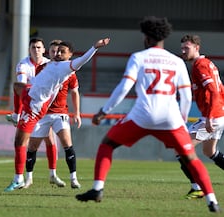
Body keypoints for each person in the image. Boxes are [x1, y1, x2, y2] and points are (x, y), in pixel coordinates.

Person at [75, 16, 221, 213]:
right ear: (164, 37)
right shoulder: (176, 61)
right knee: (191, 157)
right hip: (169, 118)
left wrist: (103, 111)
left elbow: (124, 87)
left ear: (146, 37)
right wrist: (182, 120)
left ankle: (97, 188)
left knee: (107, 144)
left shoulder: (139, 57)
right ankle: (212, 201)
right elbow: (186, 96)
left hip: (142, 115)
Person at [4, 37, 110, 192]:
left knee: (20, 142)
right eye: (57, 51)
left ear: (70, 55)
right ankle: (15, 115)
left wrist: (95, 47)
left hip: (35, 106)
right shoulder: (49, 64)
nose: (58, 53)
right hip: (30, 96)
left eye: (62, 51)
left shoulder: (67, 67)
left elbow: (82, 61)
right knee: (17, 86)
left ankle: (19, 178)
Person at [6, 38, 65, 187]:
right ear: (29, 49)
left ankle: (52, 174)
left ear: (44, 50)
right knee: (25, 142)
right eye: (33, 47)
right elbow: (22, 86)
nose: (36, 50)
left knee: (50, 140)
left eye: (39, 47)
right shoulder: (23, 64)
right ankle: (25, 177)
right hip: (31, 105)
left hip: (45, 106)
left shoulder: (49, 64)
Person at [24, 40, 82, 189]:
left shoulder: (69, 71)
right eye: (54, 51)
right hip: (42, 114)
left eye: (60, 51)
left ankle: (73, 178)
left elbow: (74, 92)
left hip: (60, 113)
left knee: (67, 143)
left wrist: (77, 113)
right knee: (32, 147)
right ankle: (29, 178)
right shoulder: (43, 68)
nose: (56, 54)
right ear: (49, 52)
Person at [176, 34, 224, 200]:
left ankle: (197, 188)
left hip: (212, 117)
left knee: (182, 149)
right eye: (182, 48)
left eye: (186, 48)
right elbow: (220, 88)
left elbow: (214, 91)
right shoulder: (208, 63)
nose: (183, 51)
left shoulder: (200, 65)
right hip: (219, 114)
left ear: (197, 48)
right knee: (209, 151)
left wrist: (210, 117)